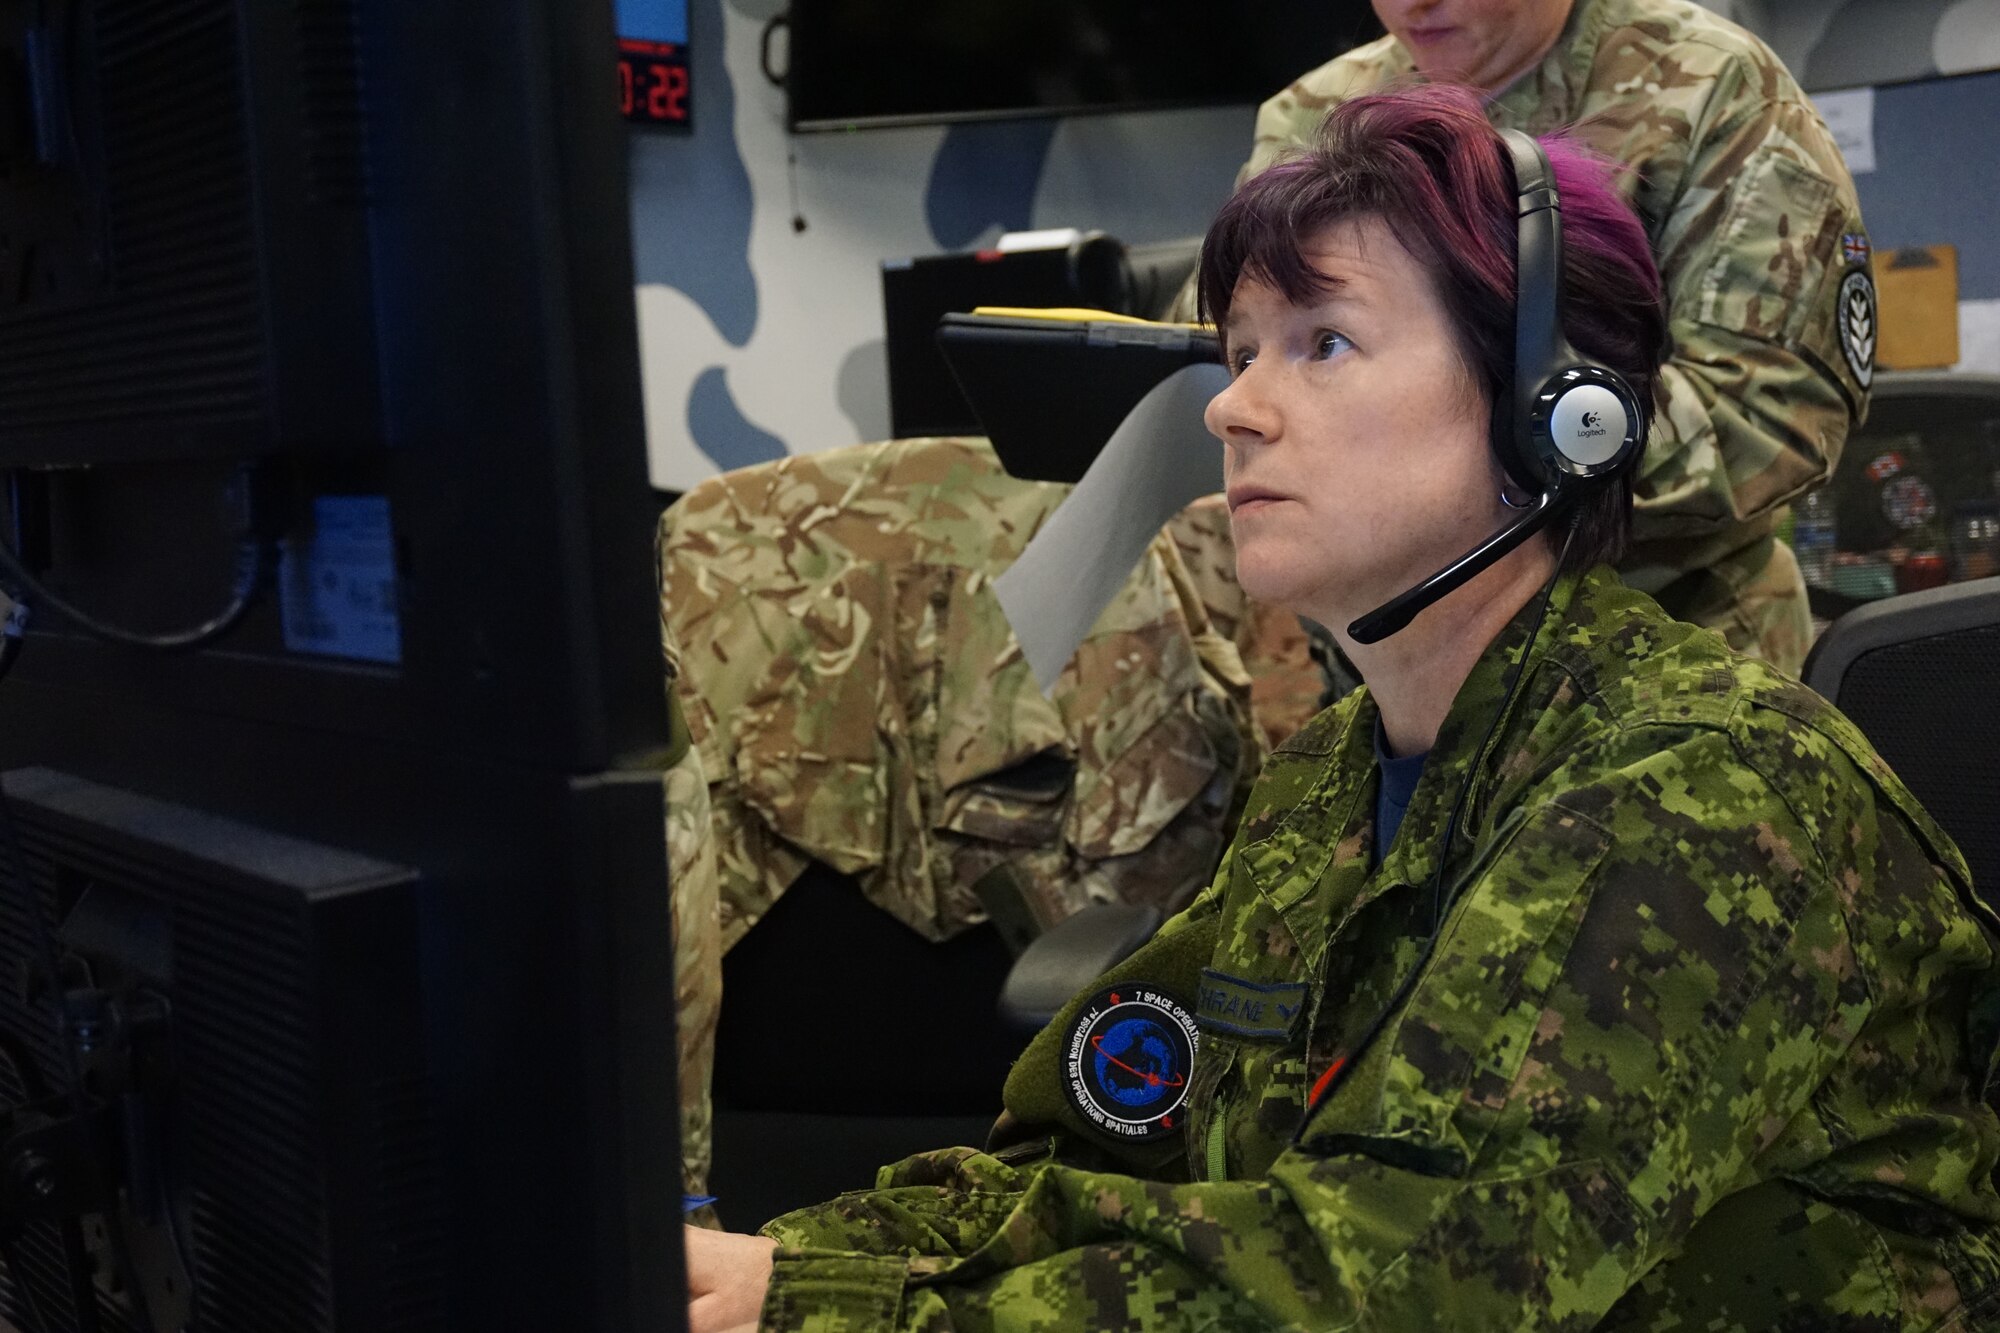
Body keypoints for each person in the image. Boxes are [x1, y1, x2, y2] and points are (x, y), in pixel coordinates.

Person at [684, 87, 2000, 1331]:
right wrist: (781, 1264)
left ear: (1563, 410)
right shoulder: (1335, 778)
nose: (1240, 408)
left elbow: (1396, 1284)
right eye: (1242, 352)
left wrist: (818, 1313)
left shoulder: (1701, 784)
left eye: (1324, 343)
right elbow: (1113, 1150)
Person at [1175, 0, 1874, 677]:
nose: (1413, 4)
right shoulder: (1311, 114)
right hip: (1390, 661)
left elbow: (1766, 414)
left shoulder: (1713, 92)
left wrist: (1504, 453)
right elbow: (1217, 357)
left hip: (1666, 645)